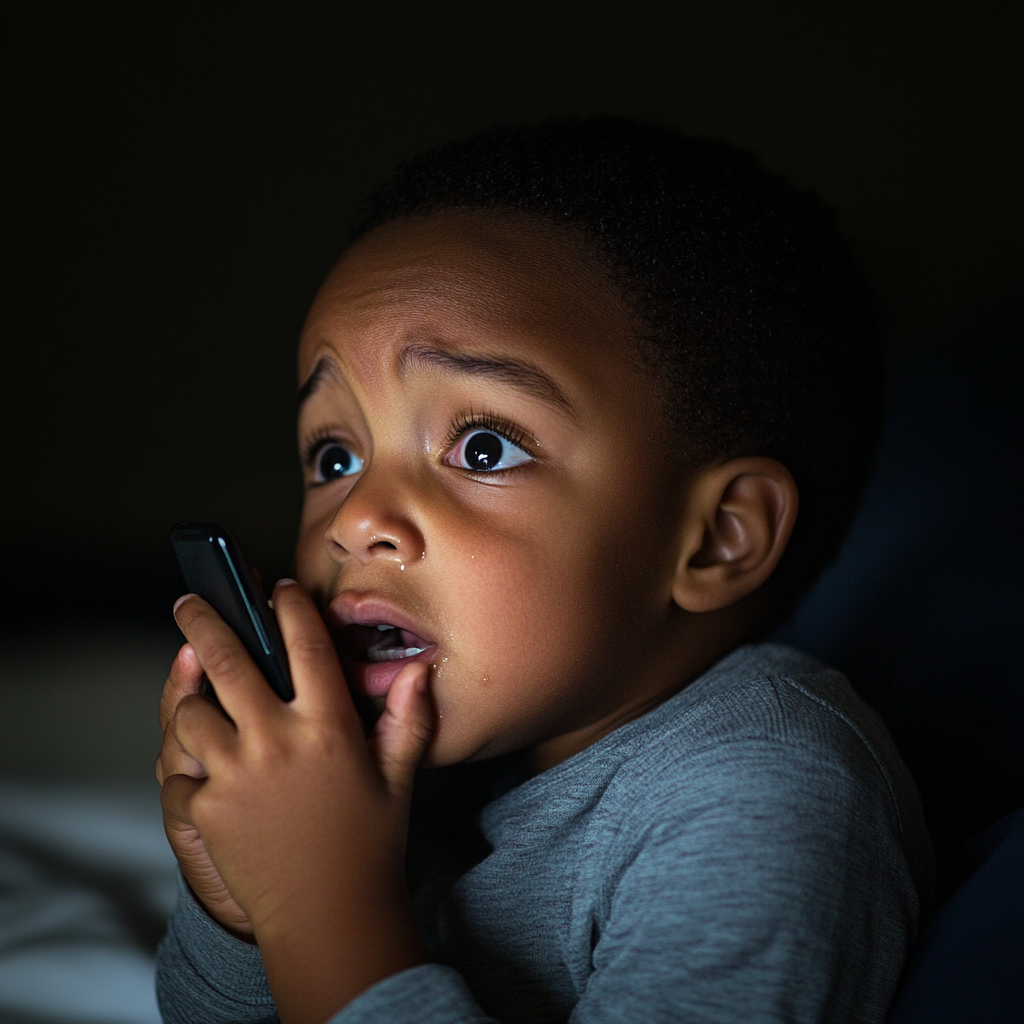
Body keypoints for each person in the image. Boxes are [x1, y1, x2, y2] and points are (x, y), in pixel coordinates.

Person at [154, 117, 933, 1024]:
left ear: (718, 537)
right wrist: (242, 911)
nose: (356, 519)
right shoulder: (461, 753)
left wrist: (319, 906)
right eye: (334, 456)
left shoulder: (764, 788)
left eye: (482, 447)